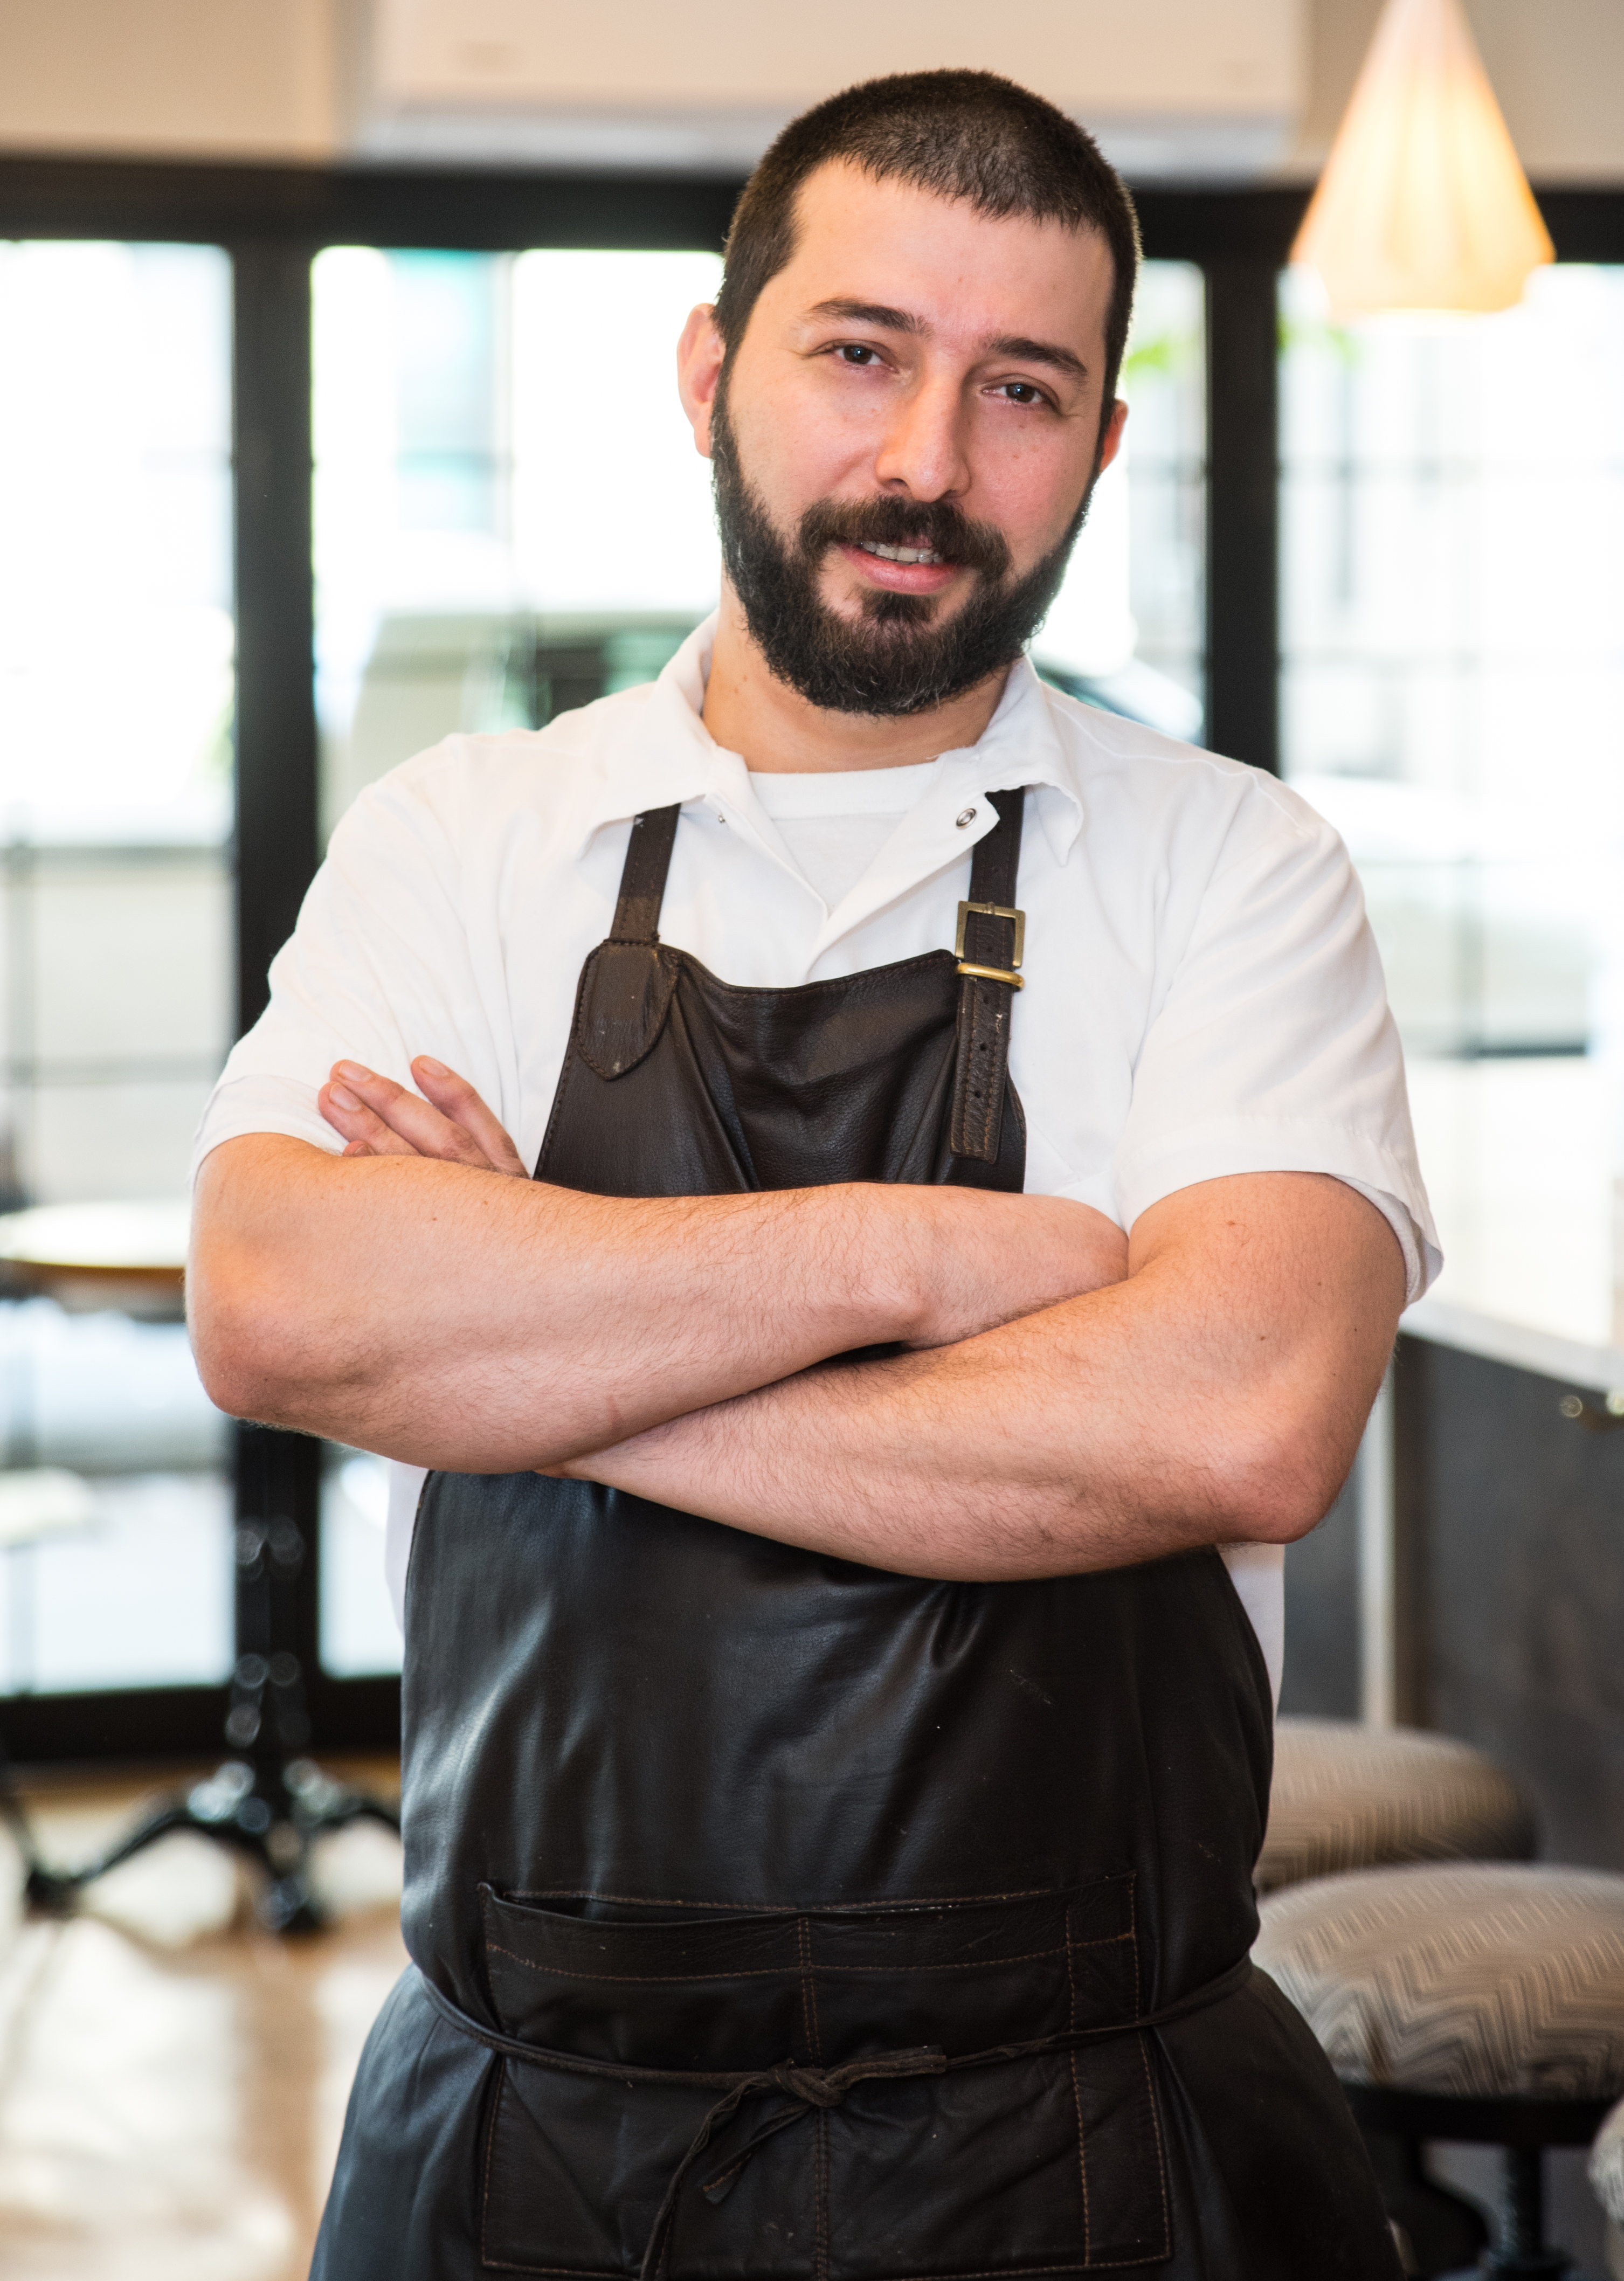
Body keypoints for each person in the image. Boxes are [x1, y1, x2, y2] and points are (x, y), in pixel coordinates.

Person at [191, 69, 1430, 2281]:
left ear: (1102, 447)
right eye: (860, 351)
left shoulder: (1233, 864)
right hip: (524, 2139)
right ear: (709, 369)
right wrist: (941, 1258)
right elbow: (283, 1302)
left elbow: (1237, 1417)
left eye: (1021, 389)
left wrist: (539, 1344)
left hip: (1091, 2138)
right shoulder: (470, 835)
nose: (925, 464)